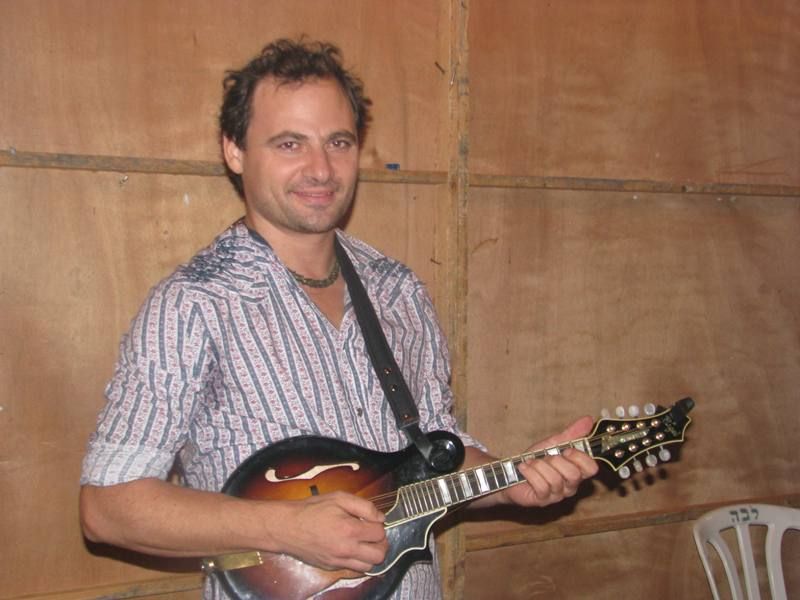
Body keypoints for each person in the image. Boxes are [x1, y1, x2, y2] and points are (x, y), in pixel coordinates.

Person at [79, 38, 598, 599]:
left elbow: (431, 457)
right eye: (290, 143)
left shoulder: (398, 291)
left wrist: (511, 482)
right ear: (235, 151)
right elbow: (107, 507)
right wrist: (285, 528)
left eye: (338, 142)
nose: (321, 169)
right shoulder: (193, 305)